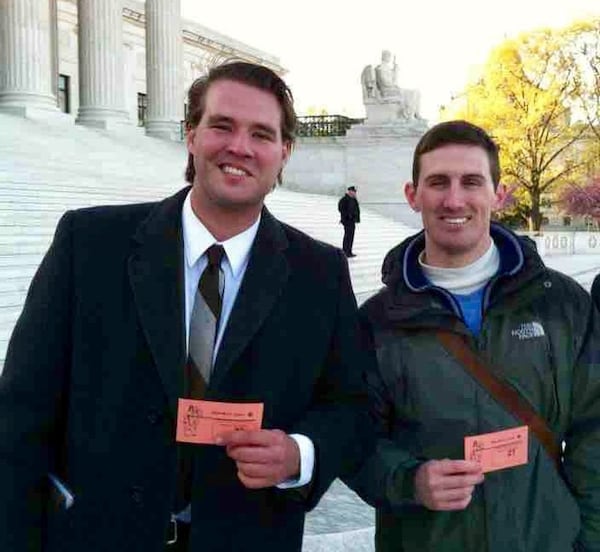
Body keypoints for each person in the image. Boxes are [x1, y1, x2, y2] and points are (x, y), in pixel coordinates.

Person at [0, 61, 374, 552]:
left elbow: (350, 405)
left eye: (261, 134)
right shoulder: (90, 244)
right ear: (192, 134)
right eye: (222, 125)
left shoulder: (319, 273)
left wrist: (298, 453)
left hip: (248, 535)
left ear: (284, 152)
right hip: (98, 534)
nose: (239, 146)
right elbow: (21, 415)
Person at [346, 120, 600, 551]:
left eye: (471, 182)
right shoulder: (376, 321)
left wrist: (589, 541)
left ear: (497, 195)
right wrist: (409, 480)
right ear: (413, 195)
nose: (454, 199)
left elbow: (593, 431)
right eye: (438, 182)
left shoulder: (563, 303)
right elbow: (352, 436)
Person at [338, 185, 360, 257]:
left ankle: (349, 251)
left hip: (352, 221)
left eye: (354, 192)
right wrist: (346, 216)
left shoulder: (354, 200)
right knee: (347, 236)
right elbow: (341, 208)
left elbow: (356, 209)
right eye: (353, 192)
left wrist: (356, 218)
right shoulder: (344, 199)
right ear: (349, 191)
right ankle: (345, 251)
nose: (354, 193)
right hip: (347, 221)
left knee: (351, 236)